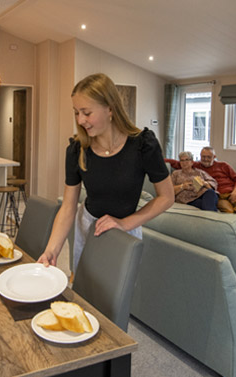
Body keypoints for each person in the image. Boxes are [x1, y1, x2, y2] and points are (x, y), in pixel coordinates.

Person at [39, 73, 174, 272]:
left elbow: (167, 197)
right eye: (76, 112)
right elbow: (68, 207)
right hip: (87, 226)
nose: (81, 120)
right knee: (84, 289)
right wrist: (52, 250)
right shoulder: (77, 149)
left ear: (110, 108)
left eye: (86, 112)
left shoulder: (143, 145)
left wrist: (125, 223)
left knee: (118, 295)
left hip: (126, 231)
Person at [166, 146, 236, 229]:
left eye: (208, 157)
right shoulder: (195, 166)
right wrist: (155, 159)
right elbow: (178, 162)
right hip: (220, 197)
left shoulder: (223, 165)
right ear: (200, 156)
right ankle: (222, 229)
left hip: (234, 192)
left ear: (214, 157)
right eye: (203, 157)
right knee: (229, 213)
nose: (206, 159)